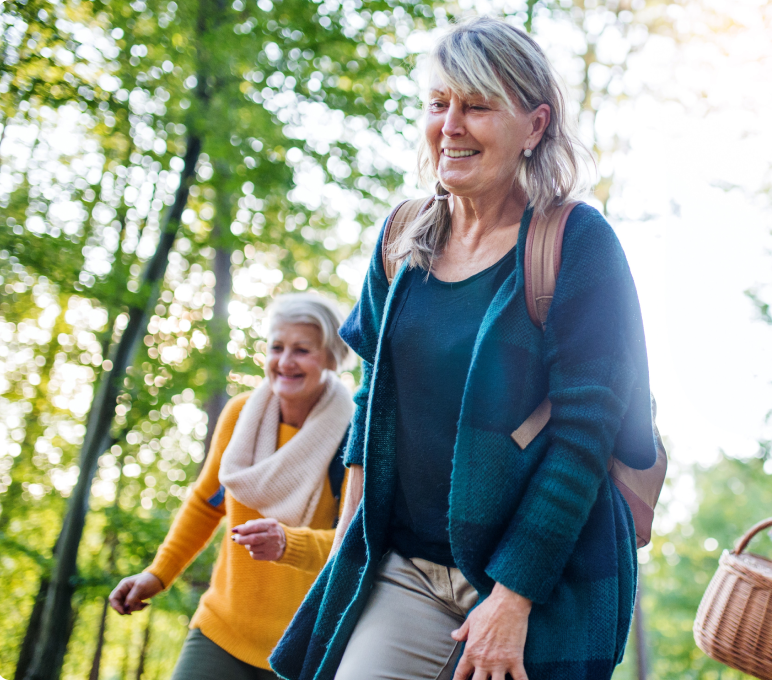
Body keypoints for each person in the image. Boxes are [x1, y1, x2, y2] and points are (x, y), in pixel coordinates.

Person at [270, 17, 656, 680]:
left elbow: (584, 436)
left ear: (534, 126)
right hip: (407, 569)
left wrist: (513, 597)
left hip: (541, 579)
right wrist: (346, 545)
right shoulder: (400, 237)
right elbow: (371, 400)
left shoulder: (577, 242)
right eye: (438, 103)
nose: (450, 126)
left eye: (477, 106)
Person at [109, 292, 356, 680]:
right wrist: (157, 575)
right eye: (277, 347)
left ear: (331, 357)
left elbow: (354, 543)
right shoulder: (241, 415)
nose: (284, 362)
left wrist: (288, 543)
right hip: (221, 629)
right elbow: (207, 503)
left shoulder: (354, 435)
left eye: (302, 350)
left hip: (303, 647)